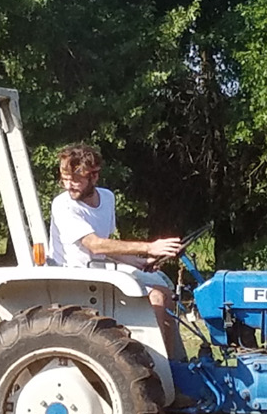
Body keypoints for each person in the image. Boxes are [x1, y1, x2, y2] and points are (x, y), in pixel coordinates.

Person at [48, 143, 184, 357]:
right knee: (155, 297)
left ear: (94, 177)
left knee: (164, 288)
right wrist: (150, 247)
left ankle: (173, 364)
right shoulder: (63, 205)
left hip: (99, 270)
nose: (68, 186)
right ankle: (158, 369)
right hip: (75, 278)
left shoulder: (107, 198)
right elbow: (94, 244)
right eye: (64, 179)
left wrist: (139, 261)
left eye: (75, 180)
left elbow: (106, 246)